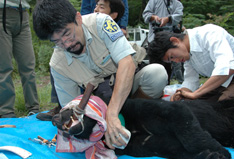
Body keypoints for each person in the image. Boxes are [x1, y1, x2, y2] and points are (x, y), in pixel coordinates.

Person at [33, 0, 167, 149]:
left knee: (156, 74)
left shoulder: (101, 23)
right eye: (57, 41)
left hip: (128, 85)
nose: (67, 44)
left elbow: (126, 63)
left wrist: (112, 113)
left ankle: (136, 115)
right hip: (99, 101)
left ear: (78, 18)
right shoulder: (58, 65)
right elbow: (71, 108)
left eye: (67, 34)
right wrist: (75, 125)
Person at [148, 24, 234, 102]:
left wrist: (196, 94)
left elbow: (228, 67)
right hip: (220, 83)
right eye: (171, 61)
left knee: (225, 104)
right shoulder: (187, 55)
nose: (176, 61)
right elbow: (191, 80)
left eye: (172, 56)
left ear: (175, 41)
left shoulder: (208, 33)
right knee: (191, 105)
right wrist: (182, 93)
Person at [0, 0, 39, 118]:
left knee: (28, 65)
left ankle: (34, 108)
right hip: (2, 13)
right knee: (4, 68)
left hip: (22, 14)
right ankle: (6, 111)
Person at [142, 0, 184, 84]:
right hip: (154, 38)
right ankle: (152, 87)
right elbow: (145, 15)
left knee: (167, 67)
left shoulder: (178, 4)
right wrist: (154, 17)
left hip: (169, 41)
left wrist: (168, 19)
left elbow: (178, 17)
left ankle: (166, 86)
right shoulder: (153, 1)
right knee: (154, 66)